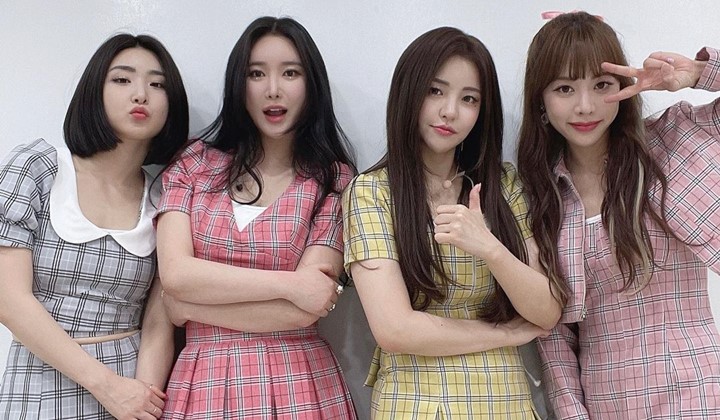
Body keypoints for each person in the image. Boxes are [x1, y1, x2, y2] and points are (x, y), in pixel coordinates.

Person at [342, 26, 560, 419]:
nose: (450, 112)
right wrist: (505, 333)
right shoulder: (372, 192)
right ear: (409, 92)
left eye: (469, 98)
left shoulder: (503, 185)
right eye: (435, 91)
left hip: (506, 399)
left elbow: (546, 310)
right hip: (415, 402)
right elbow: (394, 329)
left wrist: (489, 247)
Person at [516, 11, 720, 419]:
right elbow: (553, 338)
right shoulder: (539, 199)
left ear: (623, 86)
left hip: (697, 393)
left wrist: (698, 73)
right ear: (541, 100)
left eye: (602, 85)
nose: (585, 105)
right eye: (565, 88)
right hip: (606, 403)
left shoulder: (670, 142)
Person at [155, 16, 357, 419]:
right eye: (256, 73)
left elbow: (306, 308)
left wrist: (187, 308)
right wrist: (290, 284)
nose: (273, 89)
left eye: (290, 73)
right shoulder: (194, 163)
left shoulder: (334, 181)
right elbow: (176, 275)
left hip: (298, 384)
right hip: (204, 382)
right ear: (238, 82)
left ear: (311, 84)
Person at [0, 33, 189, 419]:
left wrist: (141, 399)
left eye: (157, 85)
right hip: (42, 380)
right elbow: (9, 300)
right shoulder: (38, 168)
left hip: (133, 390)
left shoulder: (165, 195)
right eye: (122, 79)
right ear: (93, 92)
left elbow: (158, 320)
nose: (141, 94)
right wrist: (107, 386)